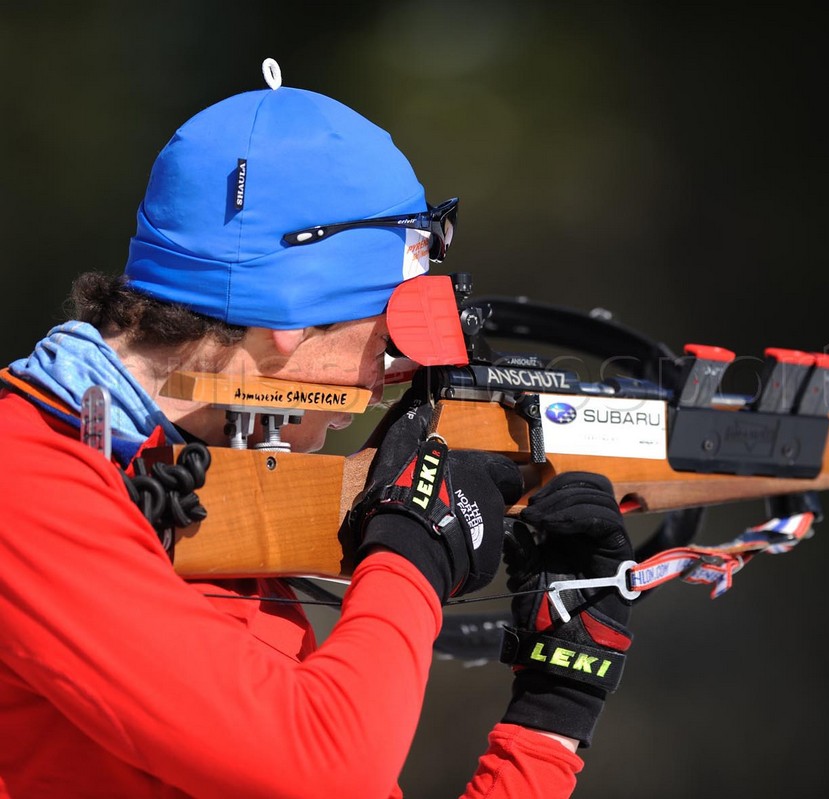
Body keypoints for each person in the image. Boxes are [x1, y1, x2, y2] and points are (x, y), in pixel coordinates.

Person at [0, 62, 634, 798]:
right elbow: (330, 767)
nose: (389, 374)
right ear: (290, 323)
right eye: (391, 330)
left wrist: (553, 714)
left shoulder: (202, 496)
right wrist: (411, 548)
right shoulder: (26, 480)